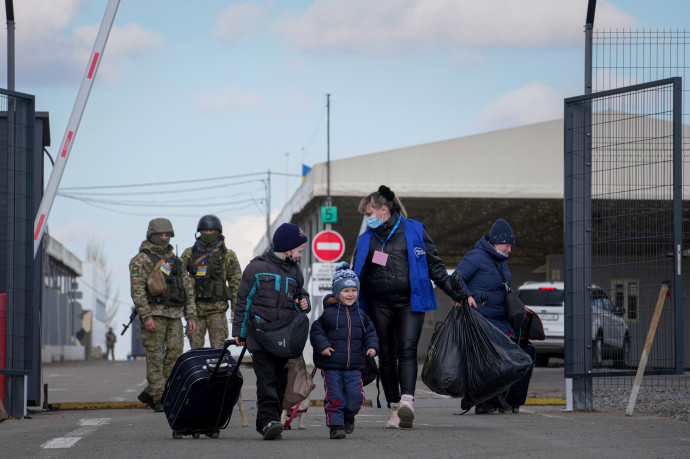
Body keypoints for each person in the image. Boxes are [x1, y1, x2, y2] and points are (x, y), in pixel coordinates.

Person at [352, 185, 467, 429]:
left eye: (368, 214)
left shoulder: (414, 230)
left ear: (383, 210)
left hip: (410, 302)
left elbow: (434, 265)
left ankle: (407, 401)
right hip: (378, 304)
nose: (367, 219)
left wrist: (455, 292)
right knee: (386, 355)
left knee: (407, 350)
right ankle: (394, 408)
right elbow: (355, 274)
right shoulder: (365, 240)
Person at [233, 222, 311, 440]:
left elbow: (300, 295)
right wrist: (239, 332)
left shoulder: (296, 272)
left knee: (281, 381)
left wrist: (303, 302)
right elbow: (243, 301)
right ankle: (268, 421)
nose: (299, 255)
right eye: (299, 251)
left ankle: (273, 420)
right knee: (266, 380)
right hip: (259, 336)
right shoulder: (256, 268)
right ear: (287, 249)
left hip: (283, 337)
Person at [454, 218, 535, 414]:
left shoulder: (501, 263)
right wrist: (466, 296)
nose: (509, 250)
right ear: (496, 241)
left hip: (500, 320)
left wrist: (520, 307)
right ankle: (489, 400)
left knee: (527, 351)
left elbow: (503, 292)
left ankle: (507, 398)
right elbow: (456, 277)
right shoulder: (476, 257)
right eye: (507, 245)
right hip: (481, 319)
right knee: (499, 354)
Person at [129, 218, 197, 412]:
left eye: (167, 235)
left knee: (175, 355)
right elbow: (138, 291)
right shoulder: (140, 260)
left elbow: (187, 290)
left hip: (175, 315)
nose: (165, 238)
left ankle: (155, 391)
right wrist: (146, 316)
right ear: (152, 235)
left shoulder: (176, 261)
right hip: (154, 315)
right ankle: (160, 397)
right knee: (155, 357)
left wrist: (190, 317)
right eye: (161, 235)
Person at [310, 262, 379, 440]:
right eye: (346, 291)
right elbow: (316, 331)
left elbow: (370, 332)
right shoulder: (328, 314)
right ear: (337, 292)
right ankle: (336, 426)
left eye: (353, 290)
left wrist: (372, 346)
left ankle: (349, 416)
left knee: (355, 396)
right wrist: (323, 346)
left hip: (354, 366)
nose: (350, 294)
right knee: (335, 396)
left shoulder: (361, 315)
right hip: (331, 364)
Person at [182, 215, 242, 349]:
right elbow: (178, 277)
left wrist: (235, 308)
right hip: (196, 311)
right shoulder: (189, 254)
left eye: (211, 231)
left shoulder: (228, 255)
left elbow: (236, 283)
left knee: (218, 350)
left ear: (218, 232)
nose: (208, 233)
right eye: (205, 231)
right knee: (196, 351)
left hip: (218, 310)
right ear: (199, 232)